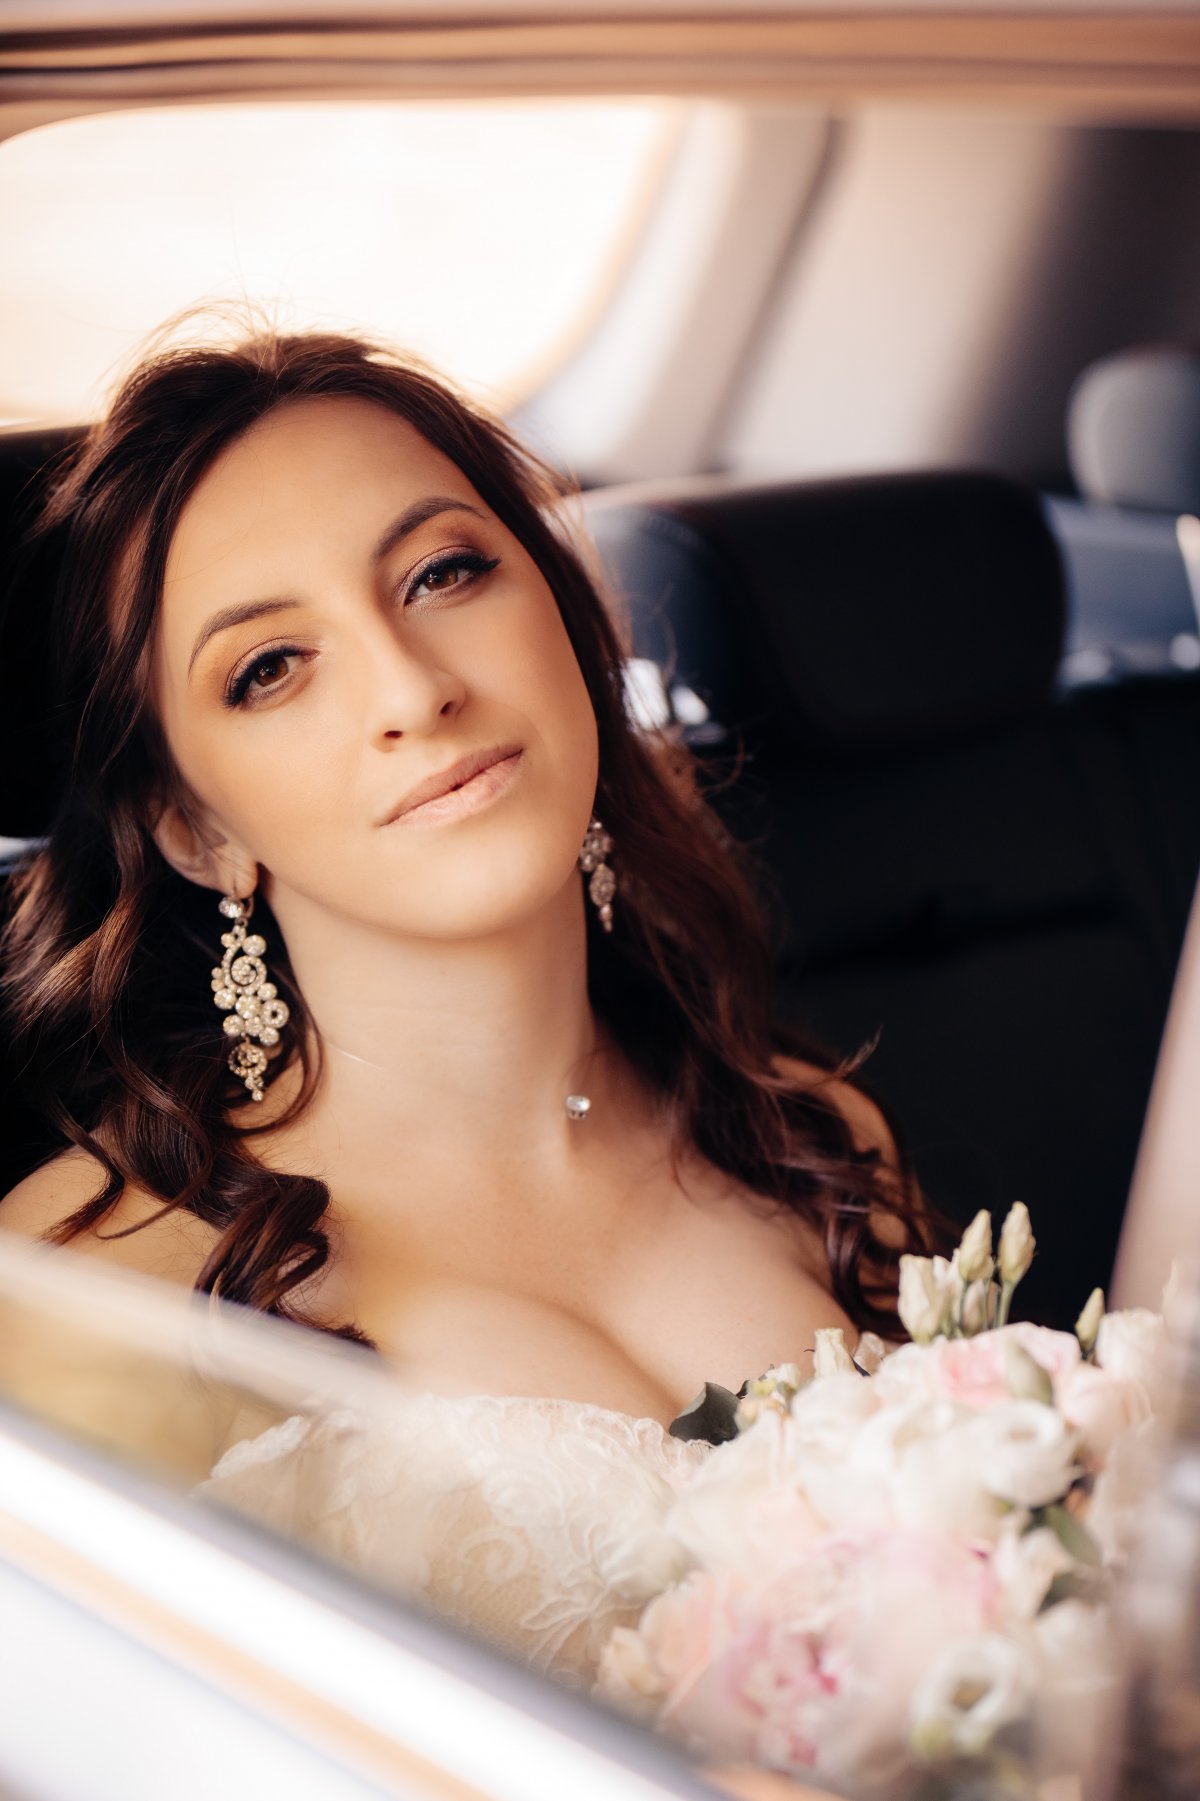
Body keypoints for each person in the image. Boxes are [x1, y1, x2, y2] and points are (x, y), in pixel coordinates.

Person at [0, 329, 932, 1701]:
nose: (412, 688)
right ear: (196, 828)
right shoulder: (87, 1286)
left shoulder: (811, 1135)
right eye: (270, 666)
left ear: (567, 619)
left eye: (443, 573)